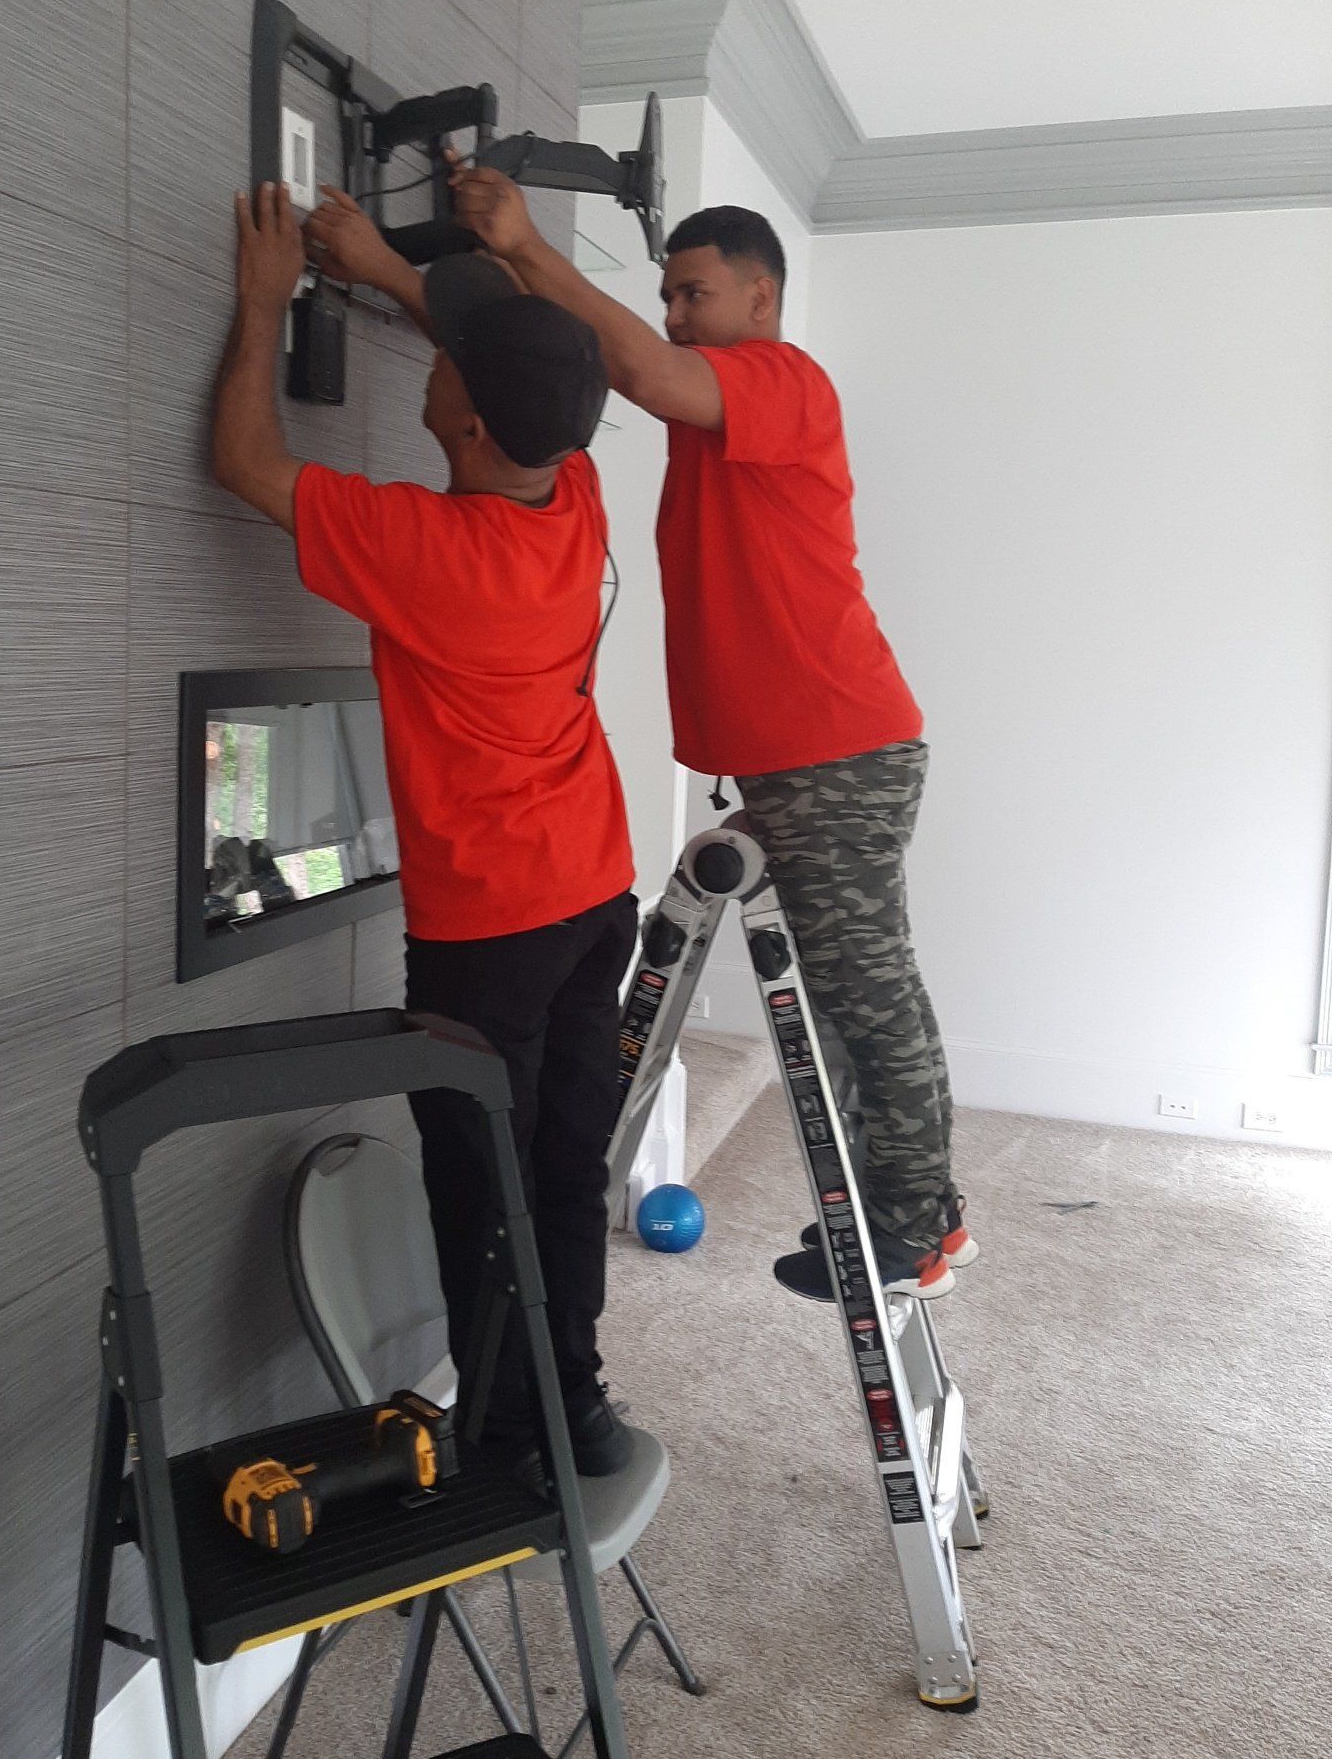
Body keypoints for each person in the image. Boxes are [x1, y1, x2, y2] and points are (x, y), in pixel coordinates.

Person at [448, 167, 975, 1301]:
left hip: (837, 748)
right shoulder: (717, 415)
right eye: (670, 296)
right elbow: (601, 370)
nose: (677, 314)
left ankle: (920, 1225)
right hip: (807, 755)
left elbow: (635, 366)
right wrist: (447, 276)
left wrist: (529, 245)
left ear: (760, 298)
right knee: (847, 994)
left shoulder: (785, 381)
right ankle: (902, 1208)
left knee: (869, 989)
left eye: (693, 293)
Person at [212, 181, 638, 1469]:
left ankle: (511, 1440)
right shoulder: (571, 493)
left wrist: (263, 302)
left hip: (491, 930)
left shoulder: (422, 546)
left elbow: (242, 461)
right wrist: (394, 268)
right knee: (561, 1166)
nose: (436, 353)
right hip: (593, 894)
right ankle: (577, 1404)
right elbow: (512, 371)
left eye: (447, 358)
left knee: (480, 1183)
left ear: (455, 412)